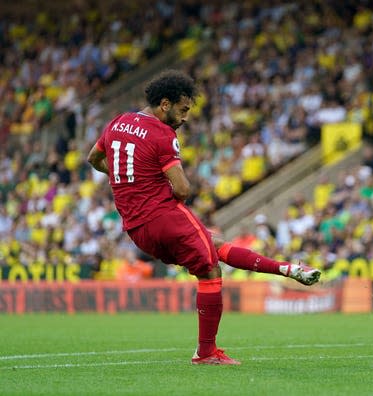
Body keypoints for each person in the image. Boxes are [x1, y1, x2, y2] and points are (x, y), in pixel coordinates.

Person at [87, 70, 321, 366]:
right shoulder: (163, 133)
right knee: (210, 272)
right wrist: (165, 191)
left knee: (214, 245)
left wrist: (124, 179)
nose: (185, 117)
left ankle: (288, 269)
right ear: (164, 104)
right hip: (163, 215)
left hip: (136, 229)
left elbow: (93, 159)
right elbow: (182, 188)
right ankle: (206, 352)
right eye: (182, 110)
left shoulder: (116, 123)